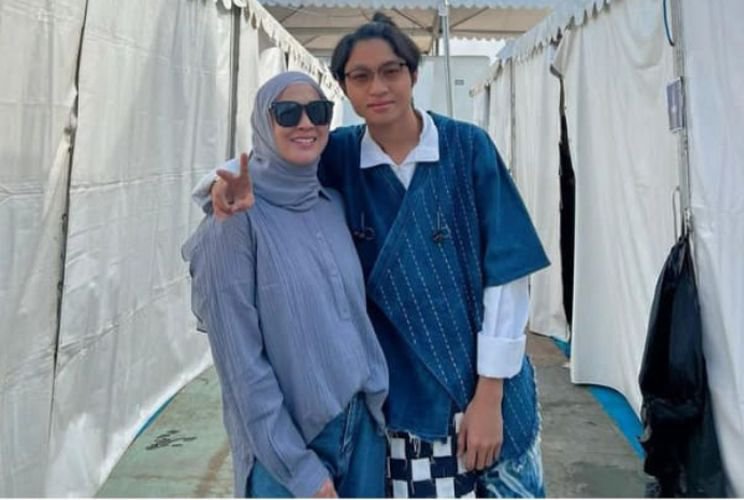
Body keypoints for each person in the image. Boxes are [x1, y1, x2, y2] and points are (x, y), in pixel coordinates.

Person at [194, 14, 550, 498]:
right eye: (360, 76)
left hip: (485, 384)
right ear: (343, 88)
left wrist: (490, 392)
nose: (378, 87)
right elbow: (272, 162)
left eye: (391, 71)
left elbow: (507, 274)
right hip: (402, 401)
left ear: (414, 74)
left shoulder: (468, 149)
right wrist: (216, 185)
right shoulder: (339, 157)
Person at [182, 72, 389, 498]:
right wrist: (299, 470)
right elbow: (241, 366)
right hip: (289, 452)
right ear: (264, 122)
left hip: (361, 433)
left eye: (318, 111)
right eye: (288, 112)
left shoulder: (332, 205)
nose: (305, 123)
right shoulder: (233, 221)